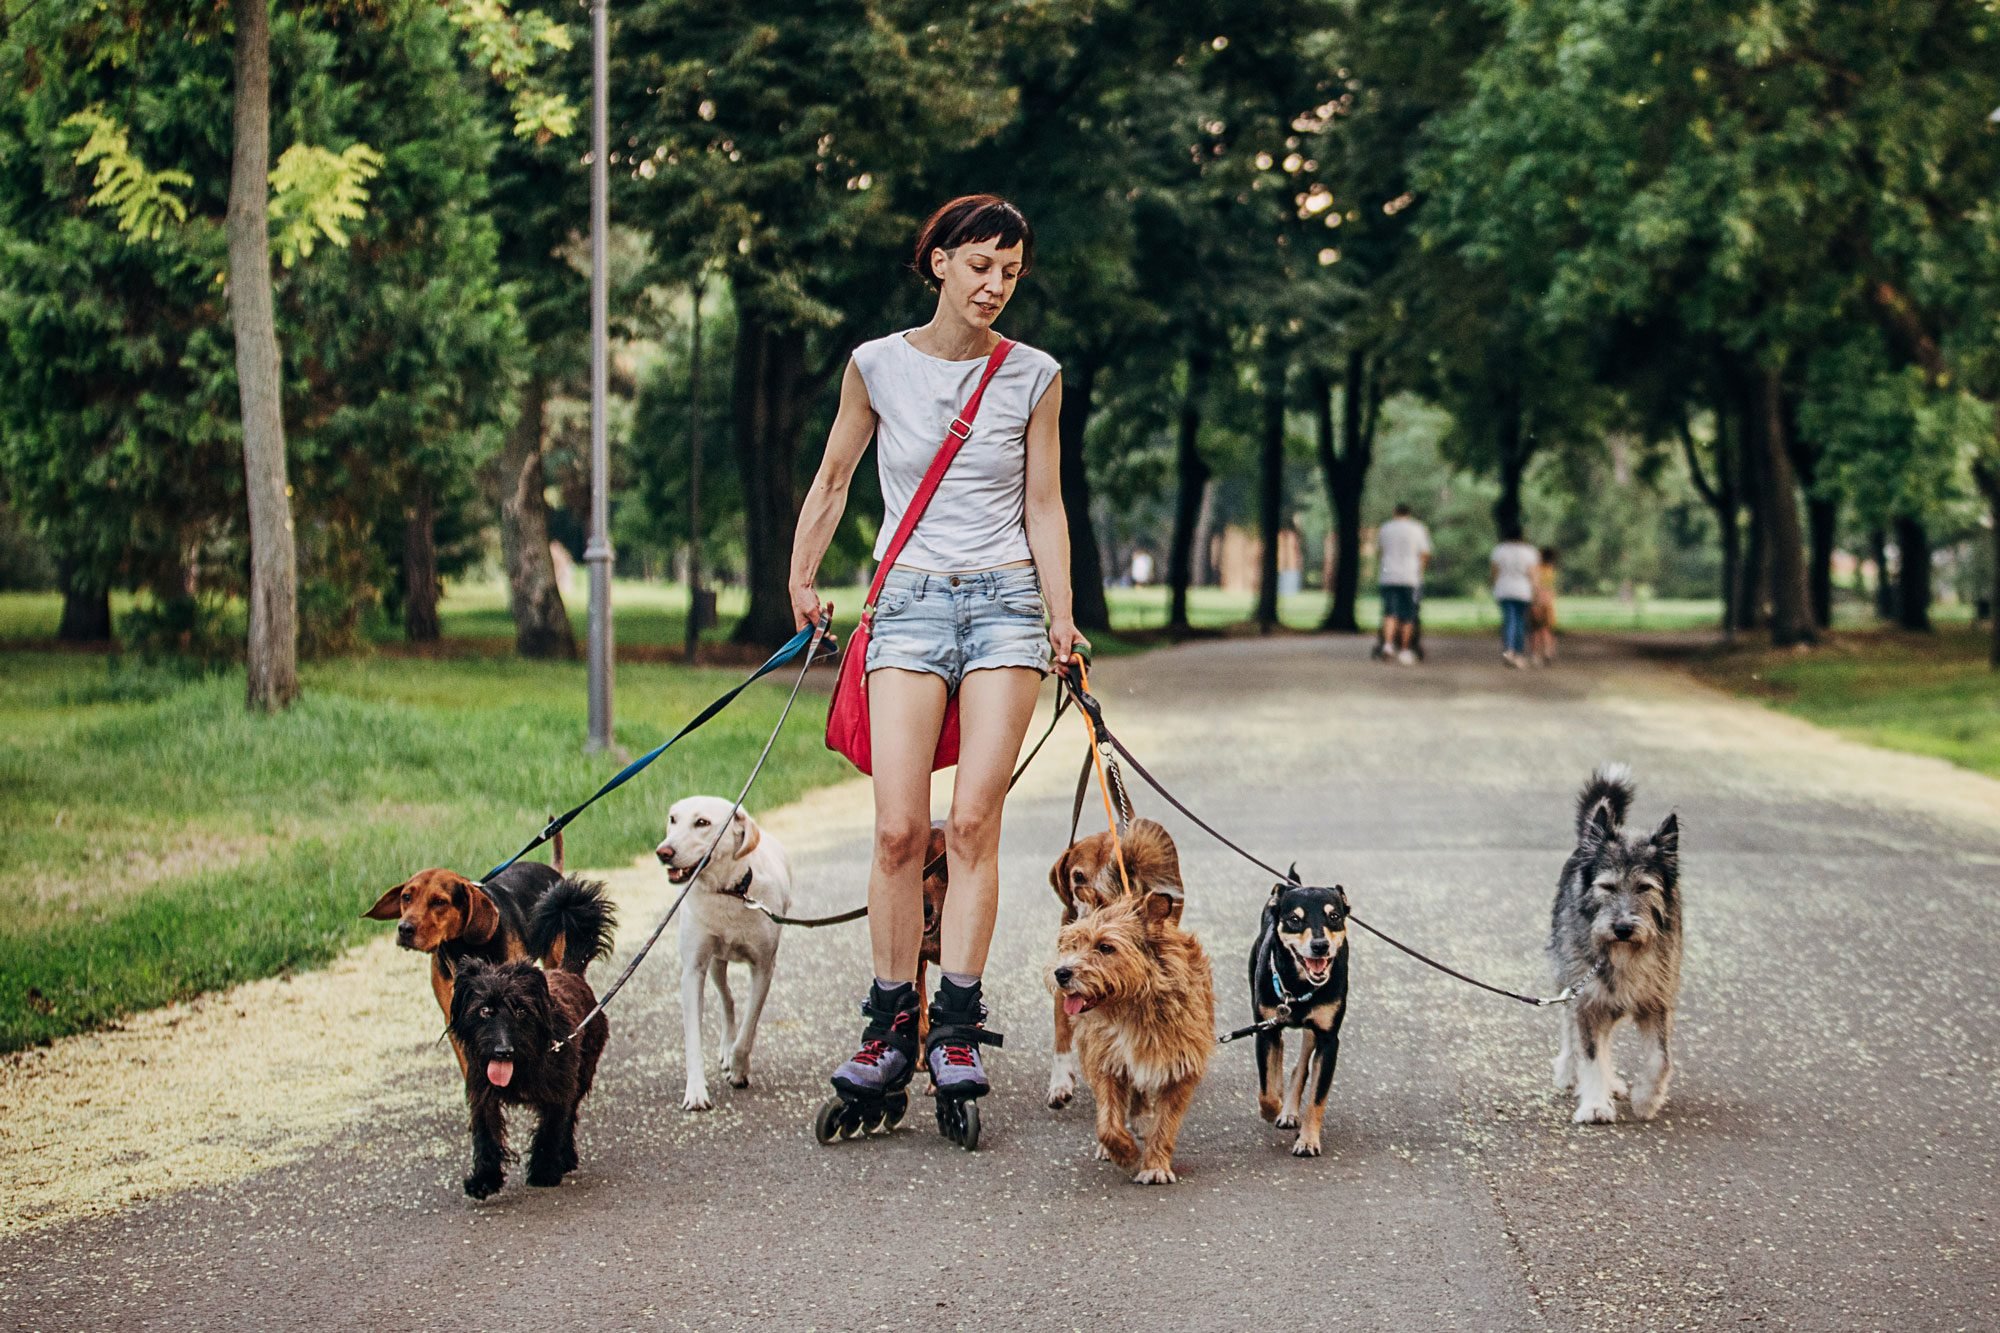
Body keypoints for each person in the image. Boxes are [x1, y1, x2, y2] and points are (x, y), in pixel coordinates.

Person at [787, 195, 1082, 1135]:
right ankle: (888, 1025)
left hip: (1003, 605)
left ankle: (955, 1020)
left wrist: (1062, 617)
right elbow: (834, 478)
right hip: (907, 603)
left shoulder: (1035, 375)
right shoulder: (876, 365)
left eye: (1011, 270)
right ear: (939, 262)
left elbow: (1044, 503)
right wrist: (802, 577)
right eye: (981, 264)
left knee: (974, 822)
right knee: (897, 830)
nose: (996, 284)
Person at [1376, 503, 1432, 666]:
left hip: (1388, 575)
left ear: (1395, 512)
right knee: (1408, 615)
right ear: (1409, 513)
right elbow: (1425, 553)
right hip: (1410, 576)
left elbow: (1380, 551)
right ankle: (1405, 649)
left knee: (1389, 612)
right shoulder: (1417, 529)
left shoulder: (1385, 528)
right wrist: (1420, 571)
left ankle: (1387, 644)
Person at [1490, 526, 1541, 667]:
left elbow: (1494, 572)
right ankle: (1517, 652)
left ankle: (1508, 651)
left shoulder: (1500, 550)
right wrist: (1536, 591)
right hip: (1523, 591)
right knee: (1520, 622)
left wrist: (1494, 587)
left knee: (1509, 620)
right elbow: (1533, 574)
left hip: (1504, 589)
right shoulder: (1529, 551)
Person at [1529, 546, 1559, 666]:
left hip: (1538, 601)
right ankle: (1548, 652)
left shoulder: (1537, 570)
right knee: (1547, 630)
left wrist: (1535, 602)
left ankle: (1536, 655)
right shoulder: (1551, 570)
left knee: (1536, 630)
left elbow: (1535, 586)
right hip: (1549, 602)